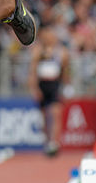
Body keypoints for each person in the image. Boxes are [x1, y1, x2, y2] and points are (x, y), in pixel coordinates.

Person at [28, 27, 70, 156]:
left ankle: (54, 142)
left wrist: (67, 87)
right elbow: (33, 72)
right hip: (42, 84)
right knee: (45, 116)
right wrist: (34, 89)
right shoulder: (38, 51)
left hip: (54, 84)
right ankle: (47, 142)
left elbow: (65, 70)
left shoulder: (61, 51)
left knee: (55, 113)